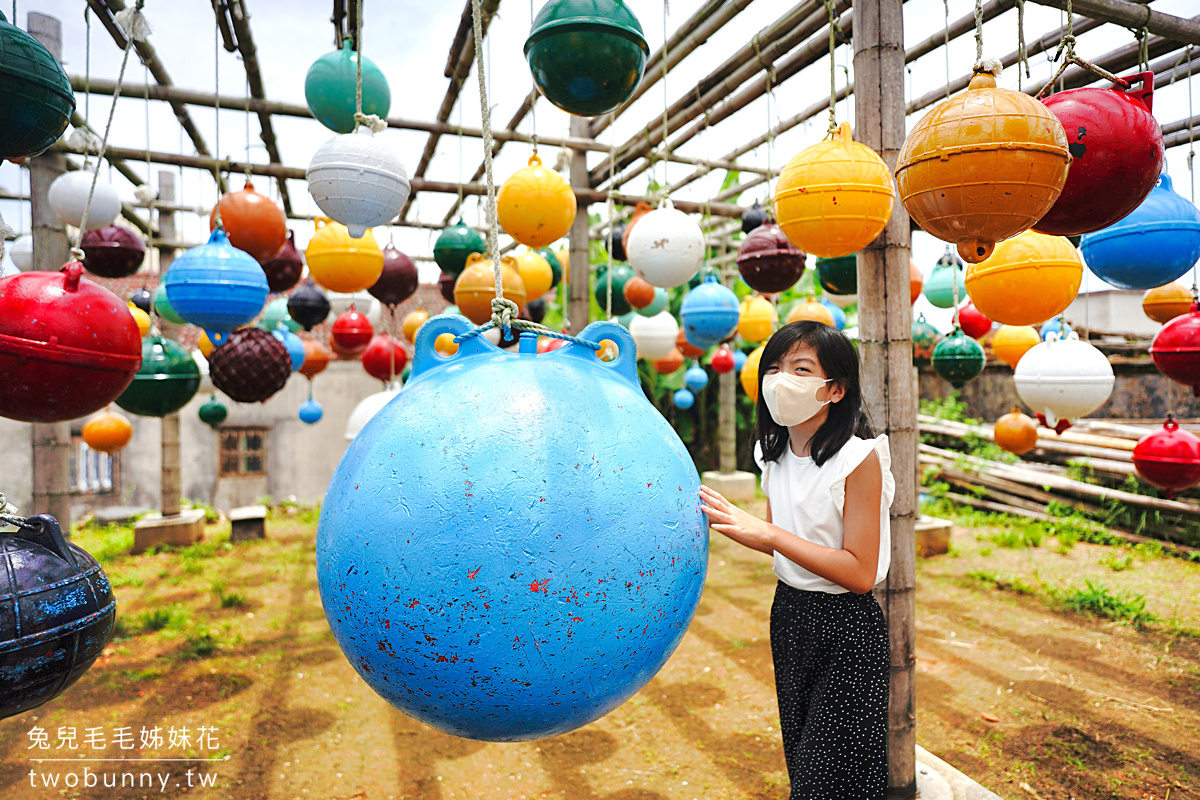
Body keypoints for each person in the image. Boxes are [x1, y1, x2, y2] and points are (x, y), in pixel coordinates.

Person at [699, 320, 894, 800]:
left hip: (846, 628)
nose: (779, 379)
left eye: (800, 368)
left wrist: (770, 533)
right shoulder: (773, 452)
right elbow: (778, 538)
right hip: (790, 615)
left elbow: (859, 573)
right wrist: (726, 521)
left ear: (835, 389)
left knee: (830, 780)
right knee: (803, 753)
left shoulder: (858, 458)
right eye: (774, 367)